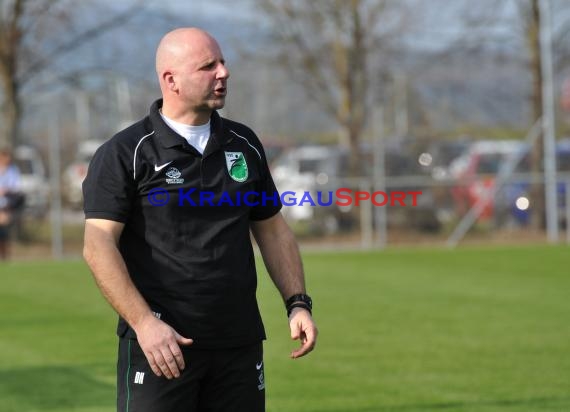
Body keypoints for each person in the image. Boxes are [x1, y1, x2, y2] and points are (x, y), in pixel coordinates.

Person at [82, 27, 317, 412]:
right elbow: (98, 245)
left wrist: (298, 303)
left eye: (223, 62)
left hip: (238, 344)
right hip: (161, 346)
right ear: (170, 80)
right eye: (208, 66)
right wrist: (145, 324)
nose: (223, 72)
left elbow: (273, 230)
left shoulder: (244, 144)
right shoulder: (126, 153)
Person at [0, 147, 22, 260]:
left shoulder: (13, 170)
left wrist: (6, 190)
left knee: (3, 231)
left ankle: (5, 256)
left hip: (6, 205)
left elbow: (16, 187)